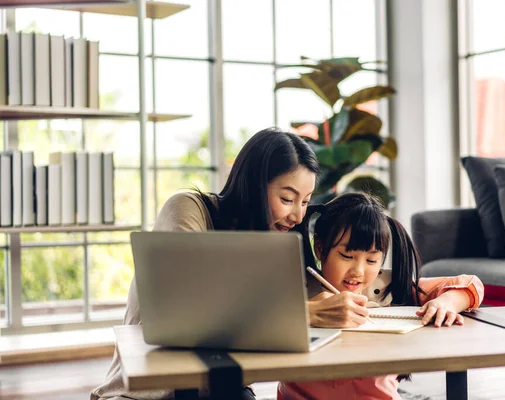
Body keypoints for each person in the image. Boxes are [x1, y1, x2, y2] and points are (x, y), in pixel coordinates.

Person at [91, 127, 372, 400]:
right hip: (146, 394)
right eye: (287, 199)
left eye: (305, 202)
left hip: (227, 389)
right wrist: (302, 314)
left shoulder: (278, 243)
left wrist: (413, 289)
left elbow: (341, 287)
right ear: (252, 186)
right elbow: (194, 310)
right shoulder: (189, 210)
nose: (298, 216)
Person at [278, 192, 485, 400]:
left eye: (371, 260)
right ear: (320, 249)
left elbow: (471, 284)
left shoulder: (388, 288)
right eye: (347, 256)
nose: (358, 271)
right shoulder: (298, 290)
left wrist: (447, 302)